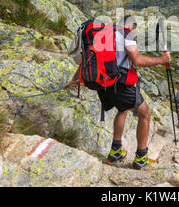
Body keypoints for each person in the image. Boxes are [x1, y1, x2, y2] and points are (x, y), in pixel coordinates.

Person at [64, 15, 171, 170]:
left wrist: (75, 79)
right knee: (145, 114)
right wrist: (162, 60)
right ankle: (141, 157)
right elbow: (138, 61)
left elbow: (90, 58)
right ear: (131, 26)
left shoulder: (104, 33)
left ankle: (116, 151)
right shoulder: (127, 34)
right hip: (119, 84)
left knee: (123, 109)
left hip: (103, 84)